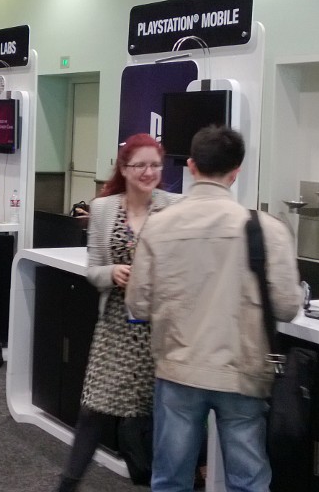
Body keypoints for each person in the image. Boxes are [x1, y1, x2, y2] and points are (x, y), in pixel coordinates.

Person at [126, 125, 303, 492]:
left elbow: (138, 303)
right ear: (235, 172)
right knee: (248, 481)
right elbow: (287, 307)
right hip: (243, 371)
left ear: (191, 166)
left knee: (171, 479)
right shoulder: (267, 229)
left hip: (177, 369)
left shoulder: (158, 225)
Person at [55, 133, 180, 491]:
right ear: (124, 168)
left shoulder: (174, 207)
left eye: (155, 165)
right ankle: (67, 485)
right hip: (116, 325)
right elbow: (93, 270)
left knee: (159, 413)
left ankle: (159, 480)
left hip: (161, 328)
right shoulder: (104, 208)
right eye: (140, 165)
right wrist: (112, 273)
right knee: (94, 407)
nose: (149, 172)